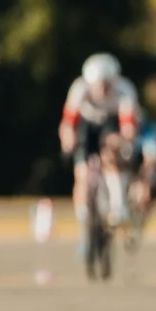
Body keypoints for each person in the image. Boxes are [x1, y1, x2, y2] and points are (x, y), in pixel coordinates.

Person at [58, 52, 140, 245]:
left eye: (106, 85)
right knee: (82, 174)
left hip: (112, 125)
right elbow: (67, 125)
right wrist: (68, 143)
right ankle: (84, 219)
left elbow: (129, 128)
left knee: (111, 154)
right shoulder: (79, 89)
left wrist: (120, 142)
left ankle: (118, 207)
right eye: (97, 85)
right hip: (87, 126)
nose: (102, 90)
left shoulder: (125, 90)